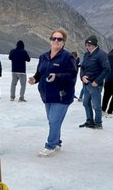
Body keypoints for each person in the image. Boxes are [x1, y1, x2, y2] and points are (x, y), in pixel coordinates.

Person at [28, 28, 77, 157]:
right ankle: (57, 142)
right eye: (53, 38)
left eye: (59, 39)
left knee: (54, 120)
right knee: (53, 120)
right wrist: (35, 79)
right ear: (50, 40)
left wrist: (57, 76)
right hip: (47, 95)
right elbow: (40, 73)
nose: (56, 41)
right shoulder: (43, 57)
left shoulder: (67, 57)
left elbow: (72, 75)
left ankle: (50, 145)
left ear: (63, 42)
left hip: (62, 95)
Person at [79, 35, 110, 129]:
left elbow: (107, 69)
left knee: (96, 105)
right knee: (86, 103)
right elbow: (82, 67)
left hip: (95, 85)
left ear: (95, 45)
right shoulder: (86, 54)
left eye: (90, 45)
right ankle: (89, 121)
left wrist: (97, 81)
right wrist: (82, 77)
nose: (88, 47)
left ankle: (98, 123)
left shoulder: (101, 54)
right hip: (86, 84)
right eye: (86, 45)